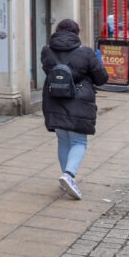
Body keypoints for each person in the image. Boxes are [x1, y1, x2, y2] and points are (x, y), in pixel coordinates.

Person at [41, 18, 109, 200]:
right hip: (79, 101)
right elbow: (102, 78)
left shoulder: (46, 51)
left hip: (54, 100)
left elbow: (49, 71)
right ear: (76, 33)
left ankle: (65, 178)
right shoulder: (85, 53)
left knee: (63, 140)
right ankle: (69, 175)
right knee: (79, 141)